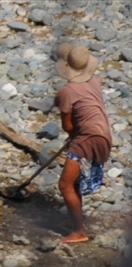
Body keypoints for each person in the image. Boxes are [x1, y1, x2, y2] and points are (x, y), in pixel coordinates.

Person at [53, 43, 112, 244]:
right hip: (103, 134)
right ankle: (75, 222)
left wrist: (73, 137)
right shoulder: (94, 81)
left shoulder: (66, 91)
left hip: (87, 138)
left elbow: (68, 126)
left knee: (65, 184)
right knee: (75, 181)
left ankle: (79, 232)